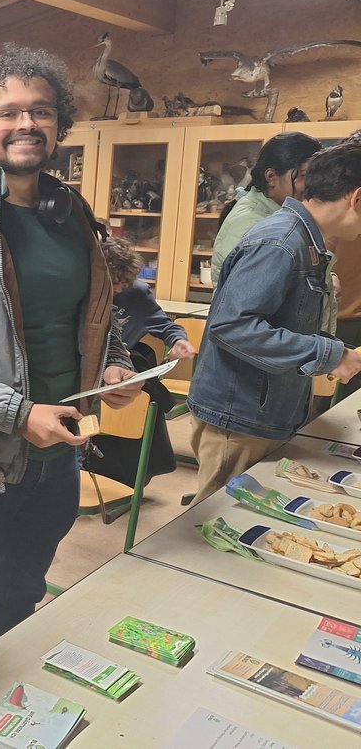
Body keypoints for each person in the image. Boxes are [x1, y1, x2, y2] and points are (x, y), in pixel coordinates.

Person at [0, 44, 140, 687]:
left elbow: (96, 313)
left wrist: (116, 365)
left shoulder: (72, 217)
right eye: (7, 111)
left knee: (18, 601)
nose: (26, 124)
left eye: (41, 111)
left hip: (57, 454)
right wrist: (19, 414)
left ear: (59, 125)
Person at [186, 137, 361, 504]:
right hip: (239, 418)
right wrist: (332, 355)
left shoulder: (305, 239)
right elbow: (232, 326)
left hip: (266, 410)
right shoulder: (280, 242)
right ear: (356, 198)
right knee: (220, 524)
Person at [90, 236, 196, 485]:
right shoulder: (84, 293)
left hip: (123, 375)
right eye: (113, 283)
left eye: (123, 284)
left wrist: (179, 340)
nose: (117, 289)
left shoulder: (135, 293)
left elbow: (164, 325)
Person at [211, 132, 321, 285]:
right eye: (302, 175)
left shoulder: (281, 214)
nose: (310, 184)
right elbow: (246, 294)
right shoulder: (249, 222)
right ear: (271, 177)